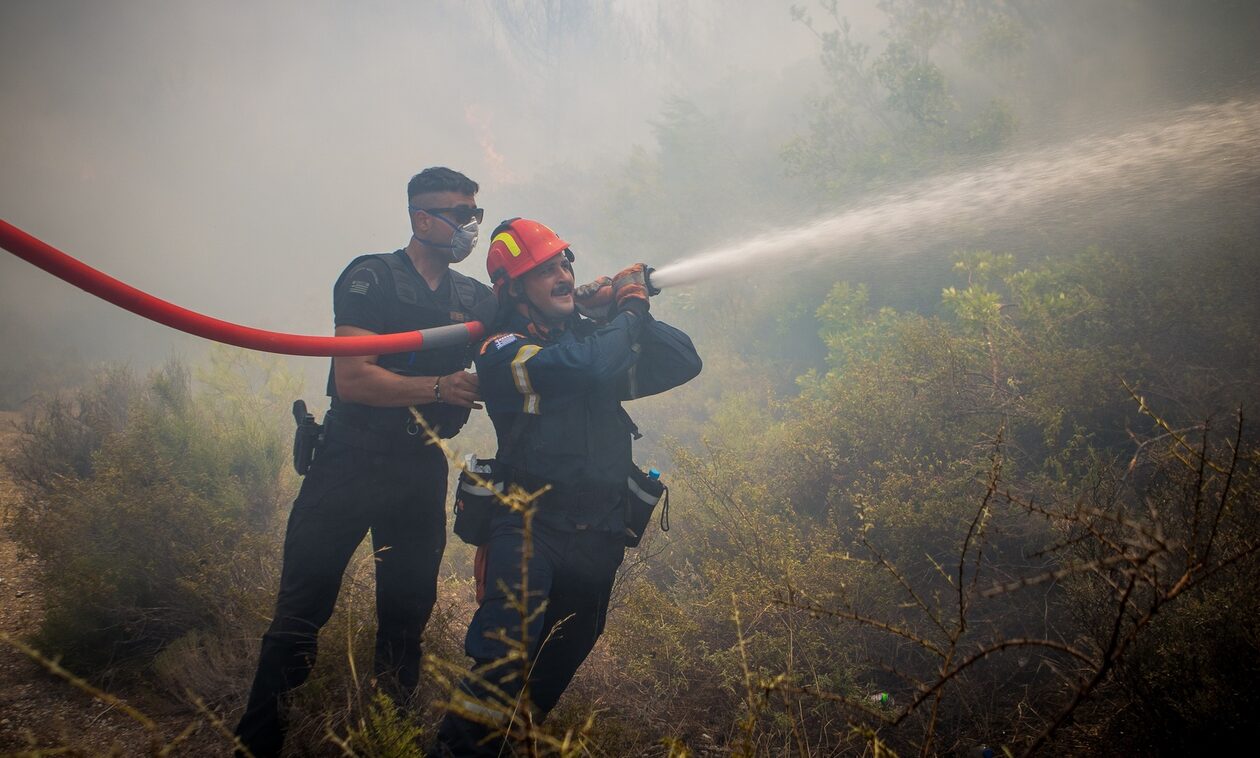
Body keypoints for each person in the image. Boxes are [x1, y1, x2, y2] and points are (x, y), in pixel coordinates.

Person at [235, 167, 497, 757]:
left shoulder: (475, 298)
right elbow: (353, 378)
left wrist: (587, 296)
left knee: (406, 624)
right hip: (349, 463)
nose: (468, 227)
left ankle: (387, 740)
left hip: (419, 470)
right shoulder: (371, 276)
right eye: (457, 215)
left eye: (473, 215)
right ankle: (256, 744)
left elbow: (528, 323)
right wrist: (437, 388)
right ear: (420, 218)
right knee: (300, 617)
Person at [434, 218, 702, 756]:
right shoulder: (501, 349)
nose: (563, 274)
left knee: (565, 651)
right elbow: (585, 366)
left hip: (599, 532)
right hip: (530, 528)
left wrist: (611, 312)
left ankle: (509, 744)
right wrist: (627, 309)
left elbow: (682, 361)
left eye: (565, 263)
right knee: (504, 662)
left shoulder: (589, 336)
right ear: (513, 290)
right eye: (545, 270)